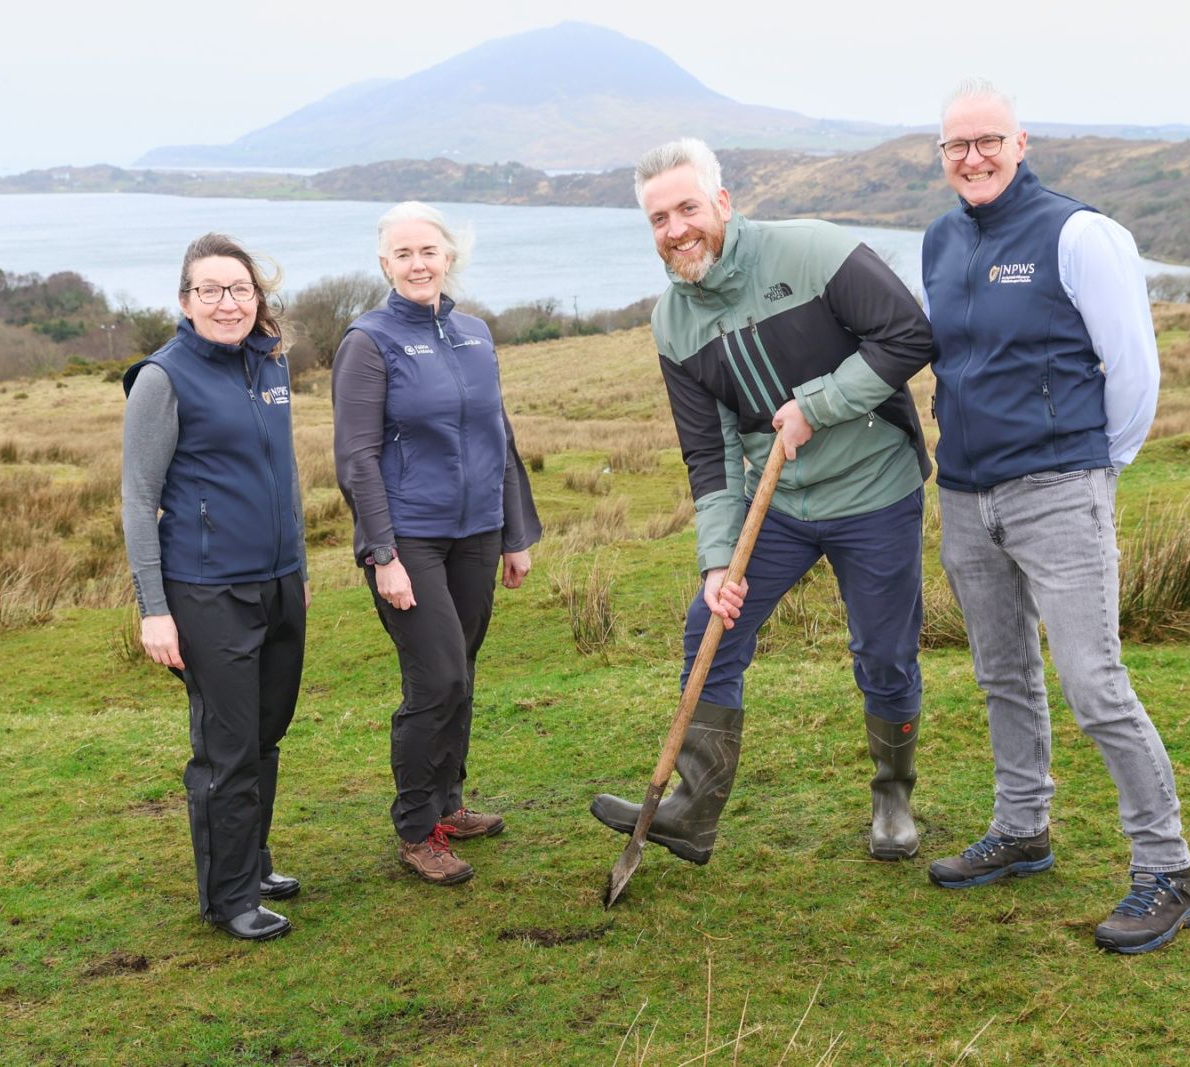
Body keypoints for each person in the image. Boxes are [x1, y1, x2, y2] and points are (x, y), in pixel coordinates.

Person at [589, 137, 936, 866]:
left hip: (876, 490)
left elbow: (908, 334)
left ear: (722, 202)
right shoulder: (673, 324)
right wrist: (719, 562)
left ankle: (893, 795)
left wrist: (819, 403)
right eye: (659, 219)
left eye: (688, 208)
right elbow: (709, 453)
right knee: (709, 630)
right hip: (778, 511)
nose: (676, 229)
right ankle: (693, 809)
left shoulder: (814, 252)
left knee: (884, 653)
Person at [919, 79, 1190, 954]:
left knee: (1093, 680)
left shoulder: (1079, 233)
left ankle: (1167, 871)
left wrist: (1093, 470)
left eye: (988, 141)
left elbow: (1135, 372)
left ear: (1021, 140)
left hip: (1057, 490)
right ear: (942, 156)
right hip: (964, 494)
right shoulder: (939, 240)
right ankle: (1022, 828)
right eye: (956, 146)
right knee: (1003, 673)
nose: (973, 157)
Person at [332, 201, 541, 887]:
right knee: (438, 677)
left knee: (463, 670)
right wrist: (382, 552)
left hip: (477, 532)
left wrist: (516, 534)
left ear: (449, 255)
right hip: (410, 538)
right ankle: (417, 828)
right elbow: (357, 457)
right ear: (384, 264)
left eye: (429, 251)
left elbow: (498, 437)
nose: (418, 263)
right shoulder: (369, 341)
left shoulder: (476, 333)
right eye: (403, 254)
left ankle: (449, 803)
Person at [121, 233, 308, 942]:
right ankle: (228, 897)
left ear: (256, 296)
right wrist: (154, 610)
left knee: (266, 732)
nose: (228, 302)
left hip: (280, 581)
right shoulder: (162, 379)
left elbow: (284, 473)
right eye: (211, 290)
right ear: (184, 300)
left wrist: (301, 571)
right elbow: (139, 499)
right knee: (226, 745)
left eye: (240, 289)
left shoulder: (269, 364)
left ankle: (251, 862)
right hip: (206, 591)